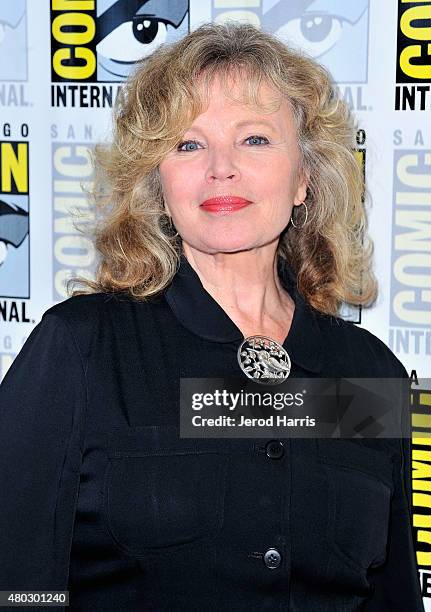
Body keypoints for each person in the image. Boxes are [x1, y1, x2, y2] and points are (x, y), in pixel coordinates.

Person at [0, 22, 424, 612]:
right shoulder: (83, 348)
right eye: (188, 144)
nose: (220, 167)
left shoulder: (366, 372)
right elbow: (15, 582)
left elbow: (392, 595)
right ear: (159, 182)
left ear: (303, 177)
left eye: (254, 139)